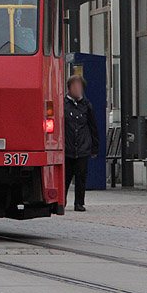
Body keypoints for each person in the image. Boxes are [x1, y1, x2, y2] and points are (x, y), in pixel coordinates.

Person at [64, 75, 99, 211]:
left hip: (83, 147)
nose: (78, 89)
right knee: (66, 177)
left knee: (81, 177)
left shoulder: (86, 105)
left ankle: (79, 203)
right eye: (75, 87)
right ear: (69, 88)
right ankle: (62, 200)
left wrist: (94, 147)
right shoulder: (64, 105)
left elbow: (93, 127)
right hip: (68, 147)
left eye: (80, 87)